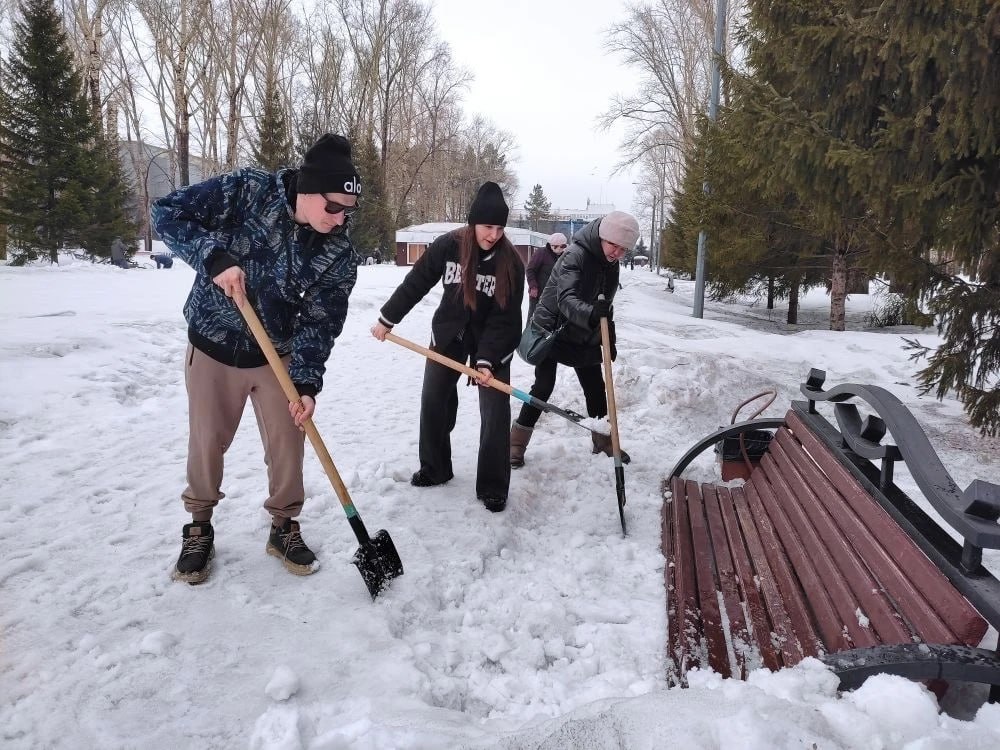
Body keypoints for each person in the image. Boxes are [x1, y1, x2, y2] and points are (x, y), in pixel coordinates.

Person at [151, 133, 362, 583]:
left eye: (348, 210)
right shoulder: (250, 190)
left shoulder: (338, 250)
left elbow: (321, 320)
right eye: (333, 207)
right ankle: (199, 526)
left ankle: (283, 525)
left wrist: (305, 382)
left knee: (289, 442)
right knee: (207, 442)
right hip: (214, 341)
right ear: (307, 189)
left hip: (277, 356)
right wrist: (213, 257)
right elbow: (166, 212)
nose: (340, 219)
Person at [371, 182, 524, 512]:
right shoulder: (449, 246)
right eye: (487, 226)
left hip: (493, 341)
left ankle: (493, 486)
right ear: (472, 223)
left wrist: (487, 360)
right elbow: (416, 282)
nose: (494, 234)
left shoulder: (511, 262)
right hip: (449, 333)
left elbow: (508, 319)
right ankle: (435, 467)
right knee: (434, 400)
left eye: (500, 227)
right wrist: (387, 318)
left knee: (495, 412)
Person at [509, 211, 640, 468]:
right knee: (543, 387)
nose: (617, 253)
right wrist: (592, 314)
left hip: (583, 331)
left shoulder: (611, 265)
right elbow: (565, 298)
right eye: (614, 245)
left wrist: (608, 339)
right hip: (553, 331)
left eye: (623, 249)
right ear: (602, 236)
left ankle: (603, 443)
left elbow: (606, 306)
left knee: (595, 389)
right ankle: (515, 443)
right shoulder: (575, 255)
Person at [525, 232, 566, 319]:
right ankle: (529, 332)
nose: (559, 249)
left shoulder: (565, 256)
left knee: (550, 319)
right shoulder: (541, 253)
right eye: (555, 246)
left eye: (562, 246)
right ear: (551, 245)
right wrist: (533, 287)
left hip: (555, 295)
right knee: (534, 317)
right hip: (538, 293)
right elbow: (530, 270)